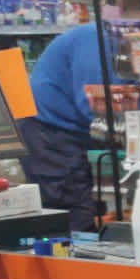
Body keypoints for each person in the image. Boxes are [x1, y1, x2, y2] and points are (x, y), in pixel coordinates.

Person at [18, 21, 117, 230]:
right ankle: (74, 249)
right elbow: (93, 104)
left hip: (73, 129)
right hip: (48, 130)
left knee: (87, 205)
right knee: (72, 208)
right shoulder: (96, 40)